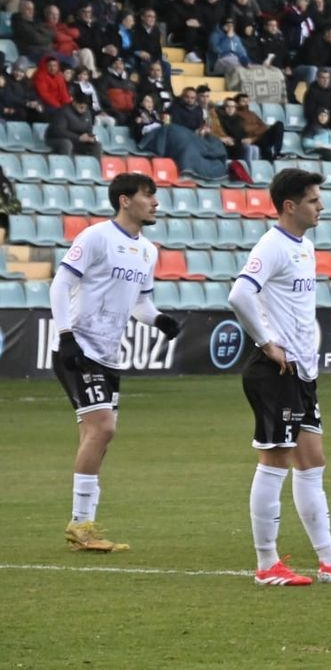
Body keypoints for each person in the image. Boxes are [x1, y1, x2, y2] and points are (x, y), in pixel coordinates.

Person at [228, 168, 331, 586]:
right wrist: (266, 342)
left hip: (299, 372)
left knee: (312, 461)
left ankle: (330, 560)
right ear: (290, 206)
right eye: (313, 200)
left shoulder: (304, 246)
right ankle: (266, 564)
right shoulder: (273, 245)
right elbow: (240, 293)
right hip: (274, 371)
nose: (321, 206)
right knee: (275, 461)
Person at [52, 173, 181, 553]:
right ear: (125, 200)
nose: (155, 202)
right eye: (148, 195)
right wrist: (65, 336)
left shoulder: (147, 250)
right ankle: (80, 525)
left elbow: (141, 303)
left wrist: (158, 319)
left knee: (96, 438)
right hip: (80, 348)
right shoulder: (96, 237)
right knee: (103, 429)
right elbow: (60, 284)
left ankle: (84, 528)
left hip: (109, 354)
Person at [46, 92, 103, 158]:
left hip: (77, 141)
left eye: (86, 108)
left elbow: (88, 130)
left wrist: (90, 137)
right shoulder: (64, 111)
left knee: (97, 145)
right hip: (56, 139)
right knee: (66, 144)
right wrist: (78, 137)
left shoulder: (87, 113)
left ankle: (95, 164)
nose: (83, 110)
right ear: (74, 103)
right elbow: (59, 131)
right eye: (81, 107)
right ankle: (65, 163)